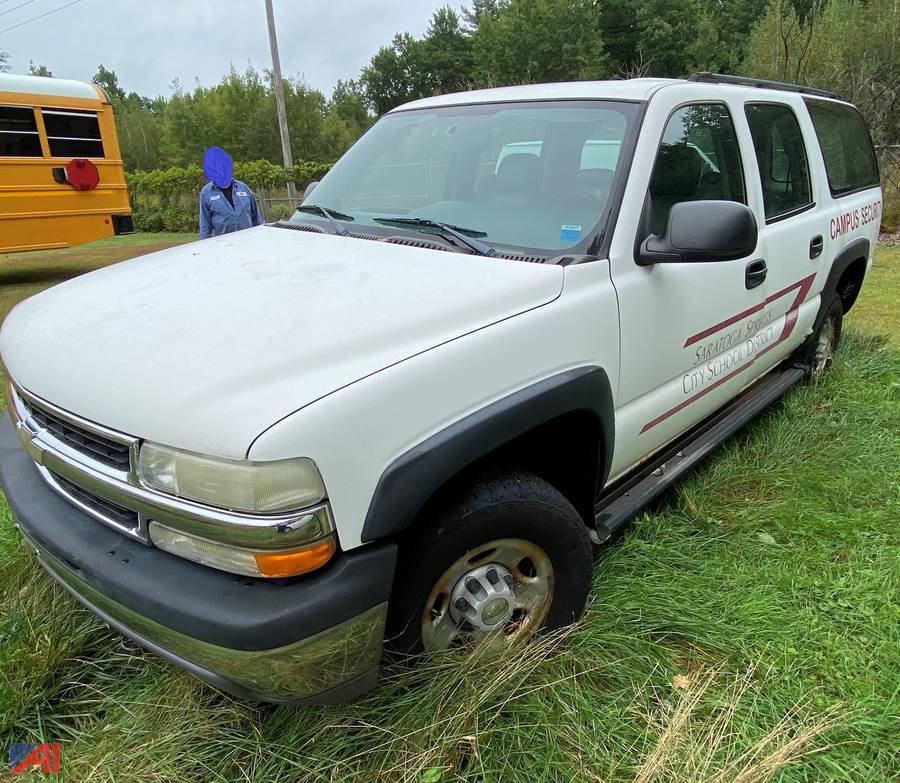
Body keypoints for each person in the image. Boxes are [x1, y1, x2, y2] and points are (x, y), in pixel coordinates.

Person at [198, 146, 264, 239]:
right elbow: (205, 227)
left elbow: (257, 219)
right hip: (224, 246)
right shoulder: (206, 192)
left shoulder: (243, 187)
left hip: (249, 242)